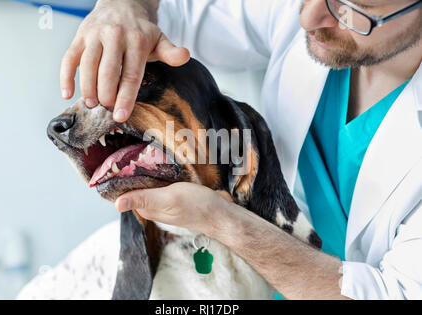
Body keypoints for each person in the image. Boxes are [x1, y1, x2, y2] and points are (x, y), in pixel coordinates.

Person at [59, 0, 422, 299]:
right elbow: (178, 14)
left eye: (353, 7)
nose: (307, 18)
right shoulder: (301, 12)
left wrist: (220, 221)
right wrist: (124, 6)